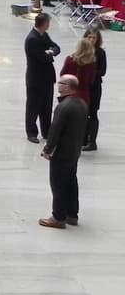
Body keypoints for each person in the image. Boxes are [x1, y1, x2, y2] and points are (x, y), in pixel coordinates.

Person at [39, 74, 89, 228]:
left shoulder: (64, 106)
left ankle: (58, 217)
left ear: (68, 87)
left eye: (60, 83)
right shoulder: (82, 103)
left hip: (62, 153)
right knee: (71, 183)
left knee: (58, 184)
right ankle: (72, 214)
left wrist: (47, 150)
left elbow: (55, 131)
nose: (57, 85)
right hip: (74, 151)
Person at [24, 13, 61, 143]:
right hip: (36, 79)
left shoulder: (44, 35)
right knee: (33, 107)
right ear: (43, 23)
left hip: (47, 78)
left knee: (46, 107)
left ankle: (46, 131)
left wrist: (51, 51)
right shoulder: (32, 39)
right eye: (48, 22)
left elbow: (56, 47)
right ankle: (31, 132)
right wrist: (50, 54)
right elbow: (43, 58)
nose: (49, 25)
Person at [82, 28, 106, 152]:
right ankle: (83, 139)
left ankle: (92, 141)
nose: (91, 40)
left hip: (94, 87)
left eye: (94, 38)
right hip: (83, 87)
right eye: (89, 37)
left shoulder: (100, 53)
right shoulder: (82, 51)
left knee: (93, 113)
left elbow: (102, 71)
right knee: (83, 113)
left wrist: (90, 71)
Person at [59, 37, 99, 107]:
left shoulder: (69, 59)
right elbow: (91, 80)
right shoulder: (91, 63)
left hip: (69, 93)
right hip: (83, 94)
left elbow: (62, 74)